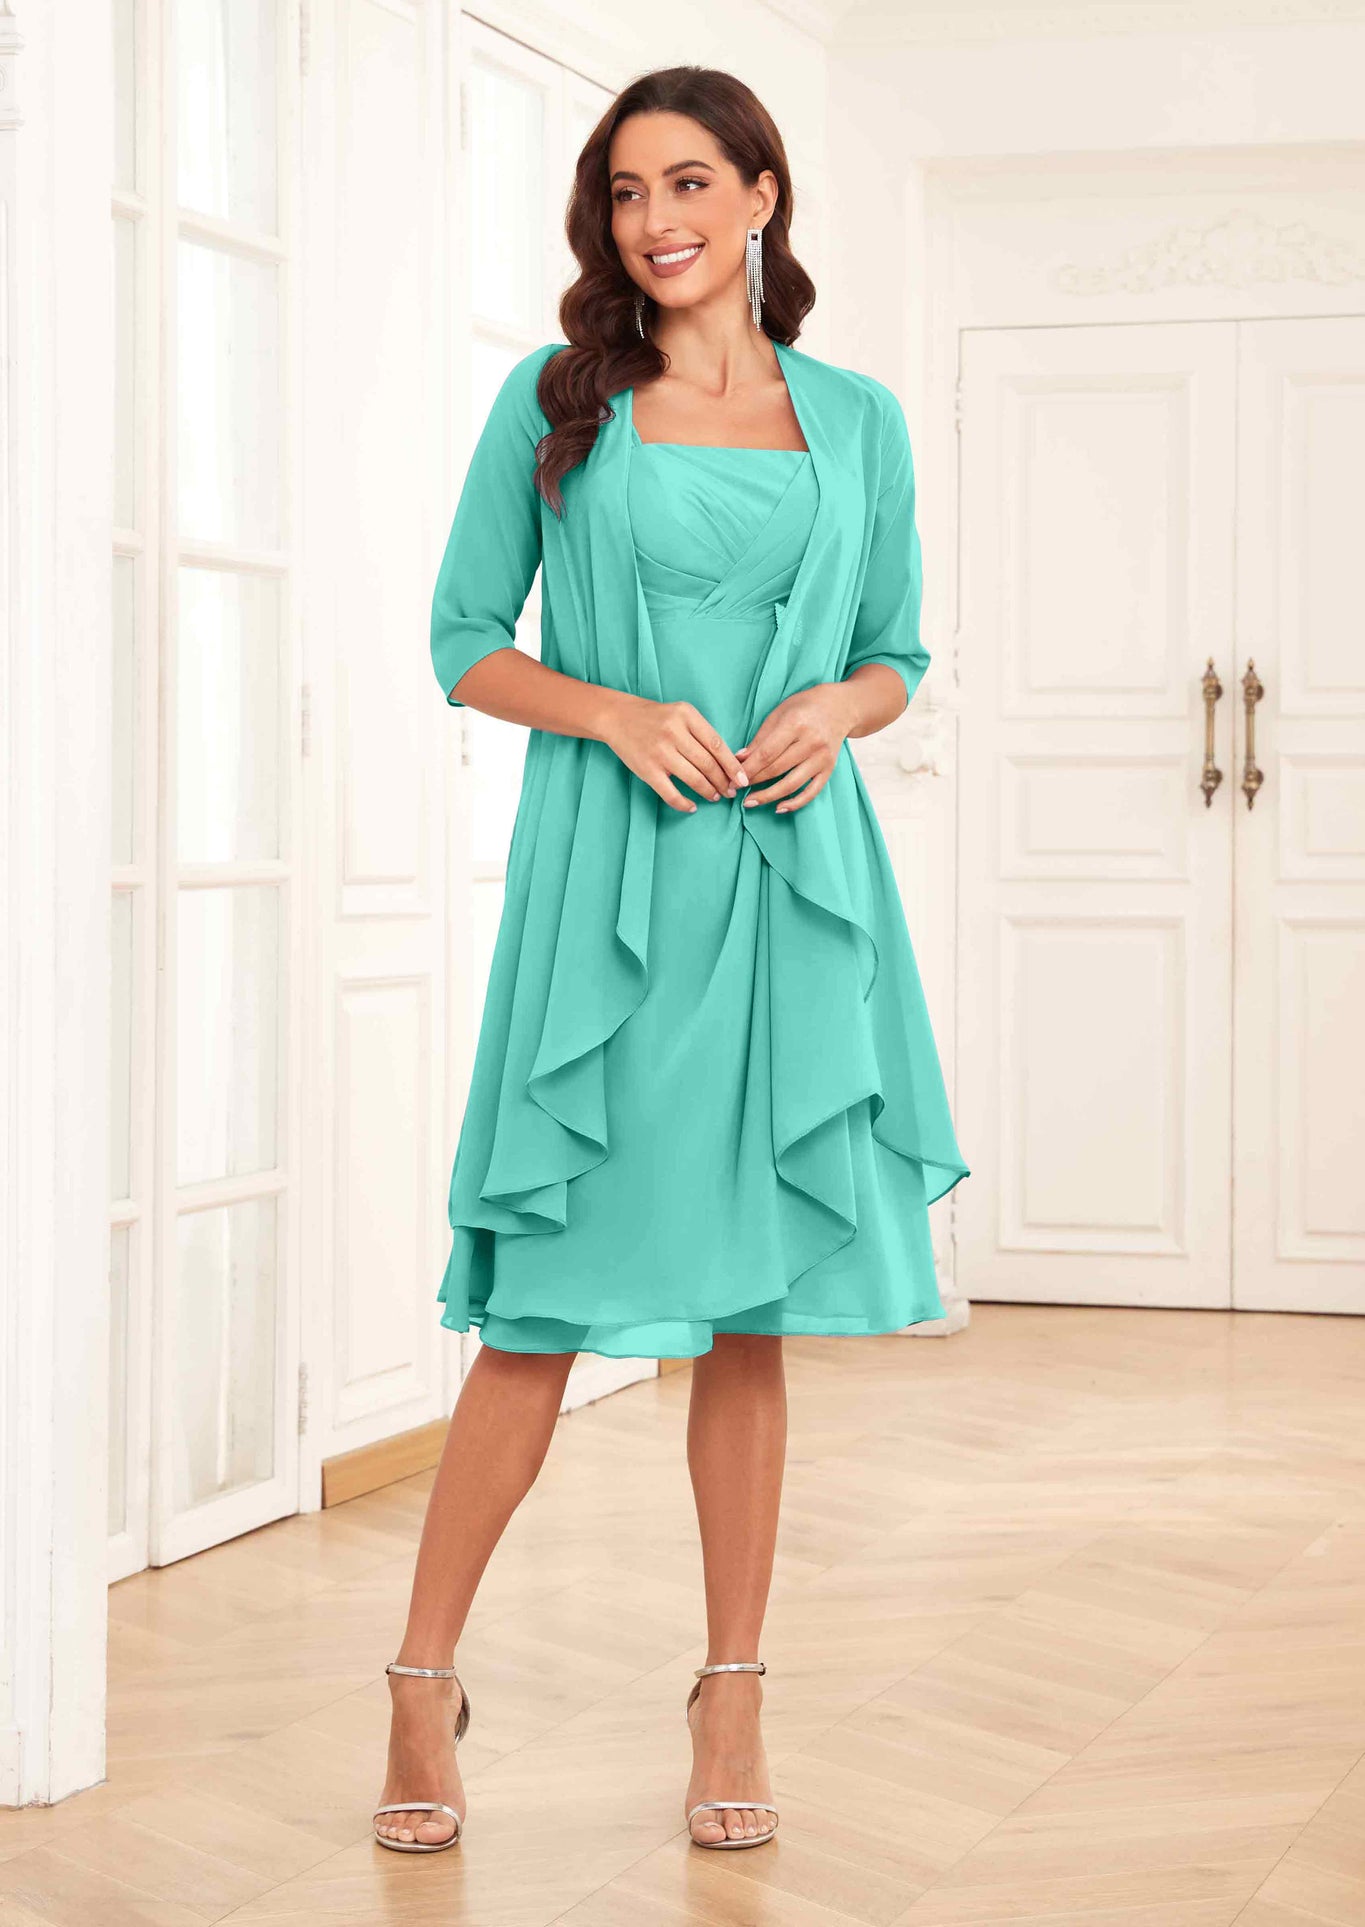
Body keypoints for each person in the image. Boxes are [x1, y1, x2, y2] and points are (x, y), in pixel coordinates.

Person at [372, 63, 969, 1858]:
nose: (656, 221)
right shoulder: (557, 402)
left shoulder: (855, 419)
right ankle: (418, 1680)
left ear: (762, 194)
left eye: (690, 181)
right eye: (626, 192)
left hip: (788, 886)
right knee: (540, 1310)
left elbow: (895, 652)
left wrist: (835, 713)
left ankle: (730, 1692)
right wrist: (615, 713)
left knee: (746, 1312)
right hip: (610, 900)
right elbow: (461, 639)